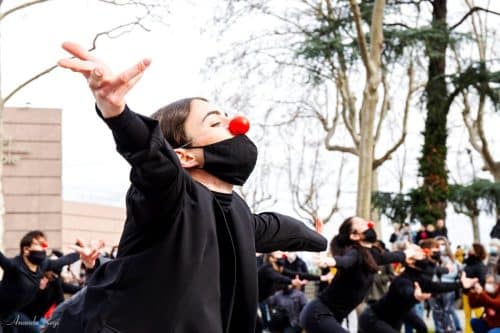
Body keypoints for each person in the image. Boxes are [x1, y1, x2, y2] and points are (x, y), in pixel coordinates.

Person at [55, 41, 327, 333]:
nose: (235, 124)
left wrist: (318, 241)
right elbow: (152, 158)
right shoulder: (169, 195)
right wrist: (118, 113)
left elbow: (277, 228)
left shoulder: (237, 213)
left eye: (225, 117)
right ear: (184, 155)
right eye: (215, 123)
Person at [299, 216, 421, 333]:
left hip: (334, 317)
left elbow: (395, 256)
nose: (368, 224)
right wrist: (327, 261)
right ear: (354, 235)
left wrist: (411, 252)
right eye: (362, 224)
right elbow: (344, 261)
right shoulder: (354, 253)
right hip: (318, 314)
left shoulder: (373, 254)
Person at [358, 245, 477, 333]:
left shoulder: (420, 278)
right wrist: (414, 295)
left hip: (398, 314)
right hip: (373, 318)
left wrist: (460, 284)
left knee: (422, 328)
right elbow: (406, 290)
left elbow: (438, 286)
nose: (424, 256)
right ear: (410, 261)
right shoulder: (401, 280)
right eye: (420, 255)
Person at [0, 231, 96, 331]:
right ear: (26, 250)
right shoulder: (13, 266)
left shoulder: (43, 265)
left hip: (13, 314)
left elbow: (62, 261)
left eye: (44, 244)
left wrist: (81, 255)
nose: (44, 248)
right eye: (39, 244)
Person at [464, 243, 489, 333]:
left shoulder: (480, 265)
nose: (469, 250)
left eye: (472, 249)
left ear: (477, 251)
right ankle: (467, 331)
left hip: (476, 294)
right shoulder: (467, 263)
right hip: (466, 293)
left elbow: (482, 279)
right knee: (467, 315)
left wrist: (476, 287)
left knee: (479, 314)